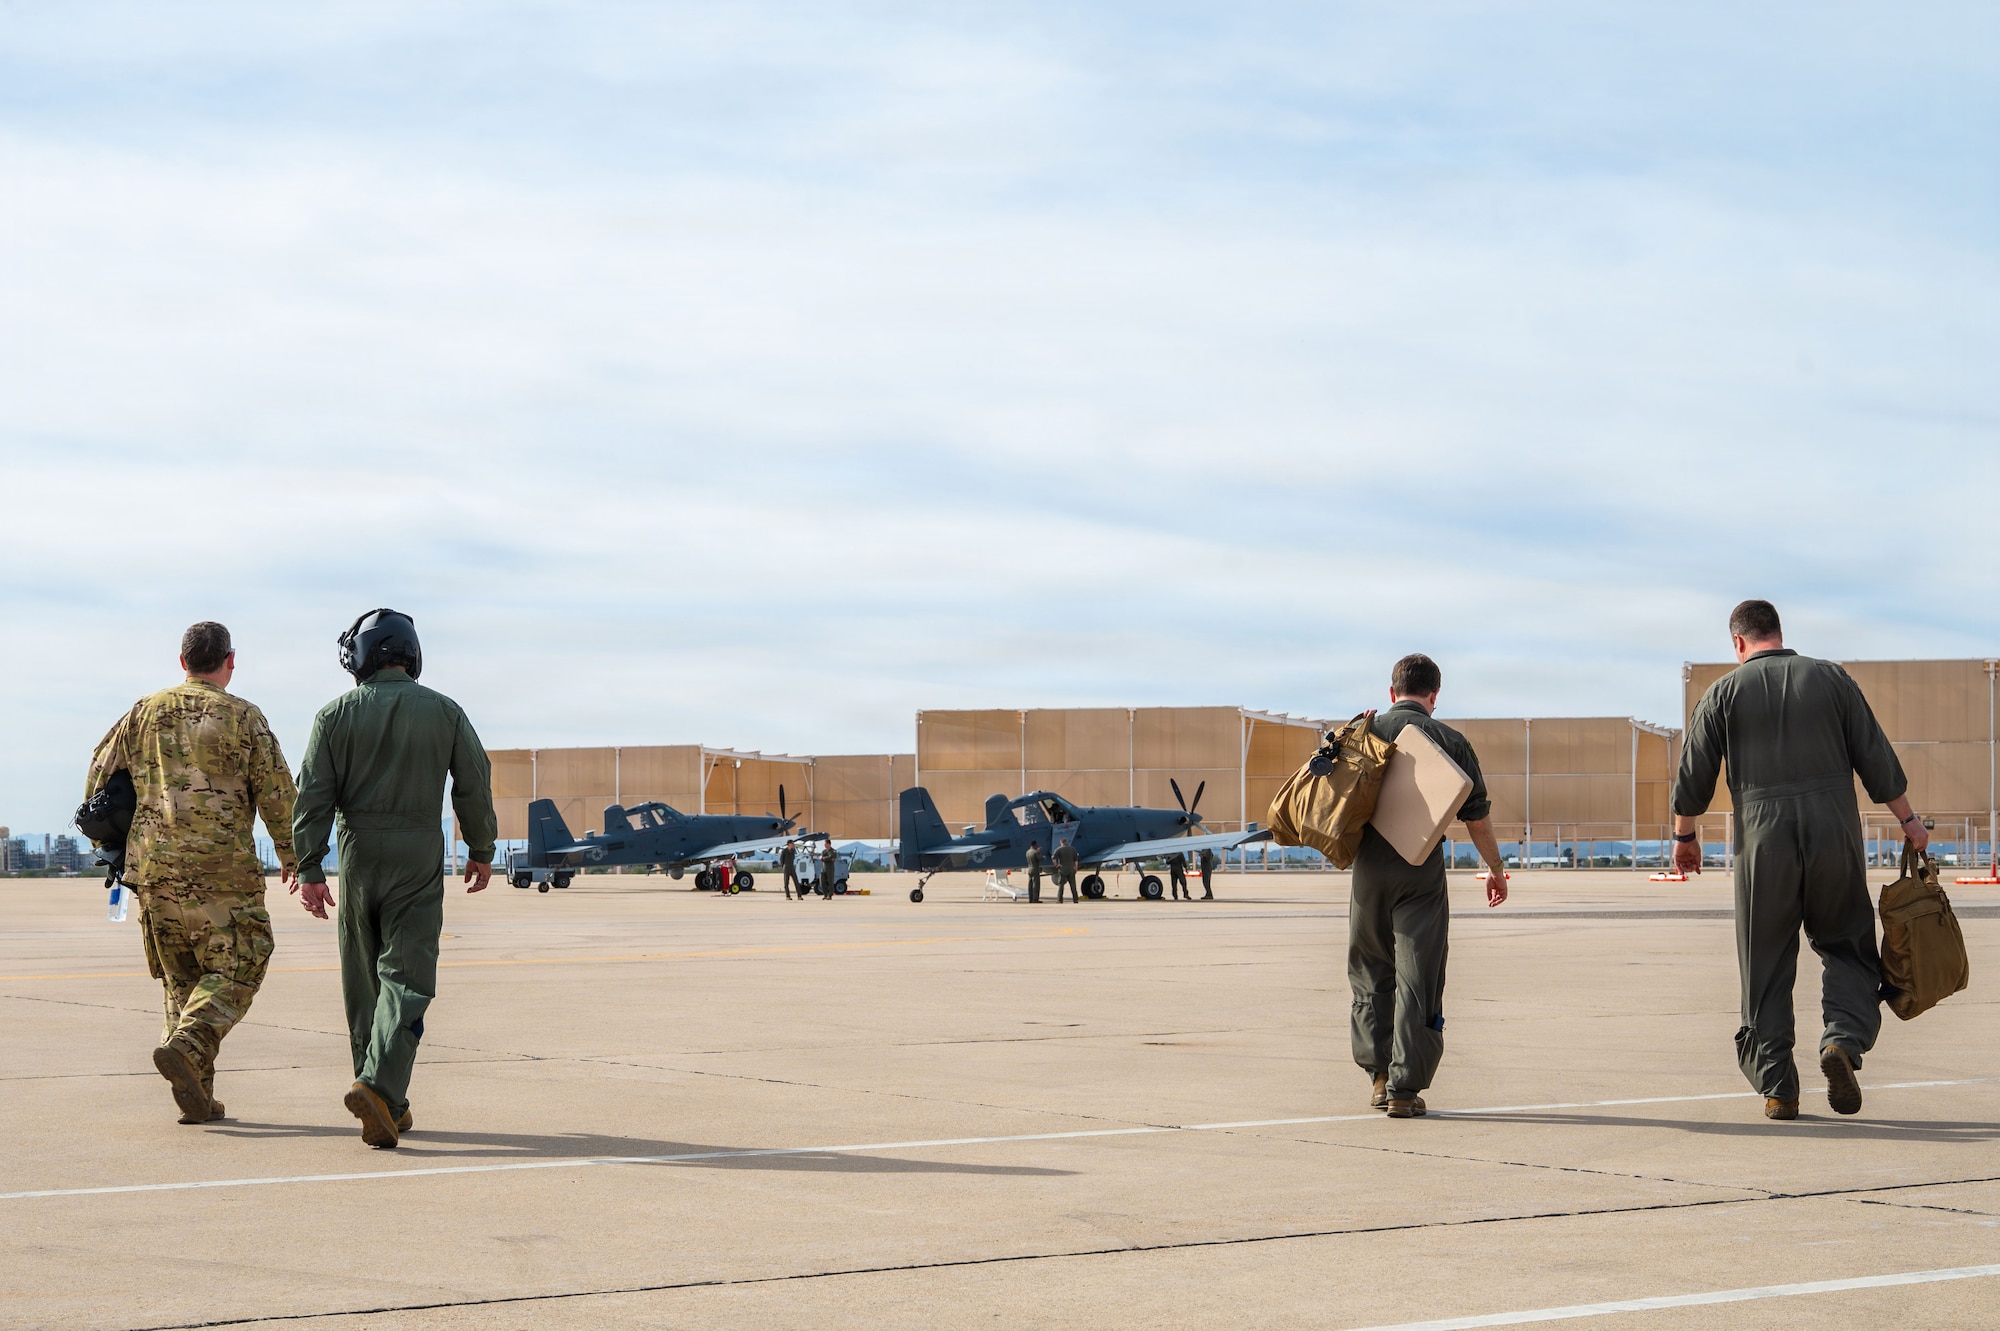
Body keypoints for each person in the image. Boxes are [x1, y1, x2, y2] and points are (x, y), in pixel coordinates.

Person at [1671, 600, 1923, 1121]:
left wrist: (1686, 836)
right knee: (1849, 944)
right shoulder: (1832, 680)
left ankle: (1779, 1087)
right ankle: (1843, 1041)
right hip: (1834, 829)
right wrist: (1909, 823)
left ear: (1738, 643)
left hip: (1763, 839)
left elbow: (1694, 776)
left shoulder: (1722, 693)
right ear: (1779, 633)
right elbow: (1878, 760)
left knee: (1764, 958)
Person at [292, 609, 497, 1149]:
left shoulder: (333, 715)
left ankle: (386, 1100)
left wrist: (310, 867)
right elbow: (474, 783)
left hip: (357, 853)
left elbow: (311, 796)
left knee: (363, 985)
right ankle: (379, 1088)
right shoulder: (446, 712)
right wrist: (480, 847)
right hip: (417, 853)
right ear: (411, 655)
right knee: (406, 978)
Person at [85, 622, 298, 1124]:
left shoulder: (143, 712)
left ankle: (196, 1092)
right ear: (229, 661)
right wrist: (296, 856)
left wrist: (110, 847)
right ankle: (192, 1041)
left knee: (181, 980)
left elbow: (98, 779)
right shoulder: (244, 717)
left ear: (183, 662)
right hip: (221, 871)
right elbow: (276, 793)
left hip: (154, 869)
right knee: (244, 960)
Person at [1349, 653, 1510, 1119]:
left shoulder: (1364, 731)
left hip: (1368, 869)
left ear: (1391, 691)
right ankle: (1404, 1088)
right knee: (1418, 975)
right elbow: (1476, 816)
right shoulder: (1451, 741)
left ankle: (1378, 1076)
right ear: (1434, 696)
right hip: (1420, 868)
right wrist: (1495, 868)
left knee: (1369, 972)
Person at [1054, 839, 1079, 903]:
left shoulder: (1058, 849)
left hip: (1063, 869)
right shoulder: (1072, 849)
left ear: (1061, 842)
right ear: (1066, 842)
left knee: (1061, 885)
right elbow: (1076, 861)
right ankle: (1075, 899)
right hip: (1071, 869)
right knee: (1073, 885)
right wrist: (1075, 868)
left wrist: (1056, 865)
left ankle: (1059, 899)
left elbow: (1054, 858)